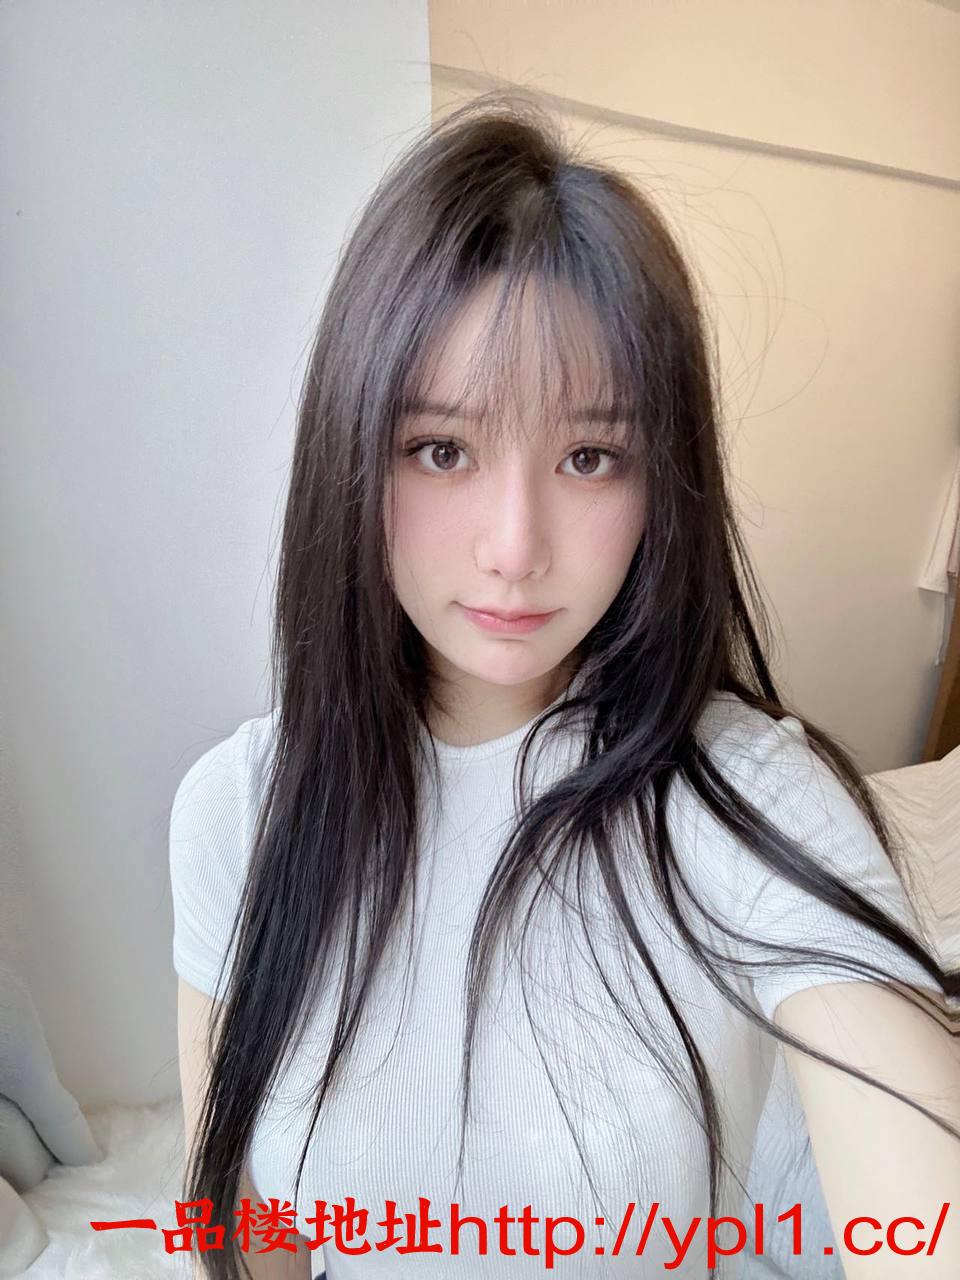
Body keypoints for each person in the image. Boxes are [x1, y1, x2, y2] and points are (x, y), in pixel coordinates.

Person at [170, 90, 960, 1280]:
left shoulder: (747, 799)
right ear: (353, 449)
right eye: (441, 449)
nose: (515, 546)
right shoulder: (239, 807)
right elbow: (234, 1233)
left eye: (590, 456)